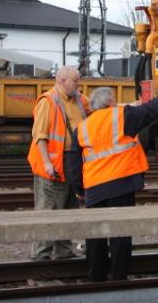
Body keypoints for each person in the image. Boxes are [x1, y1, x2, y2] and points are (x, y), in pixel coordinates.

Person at [66, 86, 158, 282]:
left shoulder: (82, 127)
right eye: (114, 100)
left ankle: (95, 277)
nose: (117, 103)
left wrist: (79, 189)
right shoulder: (121, 116)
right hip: (121, 184)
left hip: (94, 188)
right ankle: (118, 277)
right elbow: (149, 111)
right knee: (120, 234)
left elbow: (74, 162)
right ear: (109, 103)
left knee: (95, 235)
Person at [27, 65, 90, 260]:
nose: (78, 84)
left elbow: (103, 108)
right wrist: (47, 163)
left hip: (72, 163)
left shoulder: (80, 100)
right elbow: (40, 136)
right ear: (61, 81)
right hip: (53, 164)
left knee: (69, 208)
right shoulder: (48, 101)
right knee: (48, 211)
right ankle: (41, 255)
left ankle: (63, 252)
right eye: (75, 81)